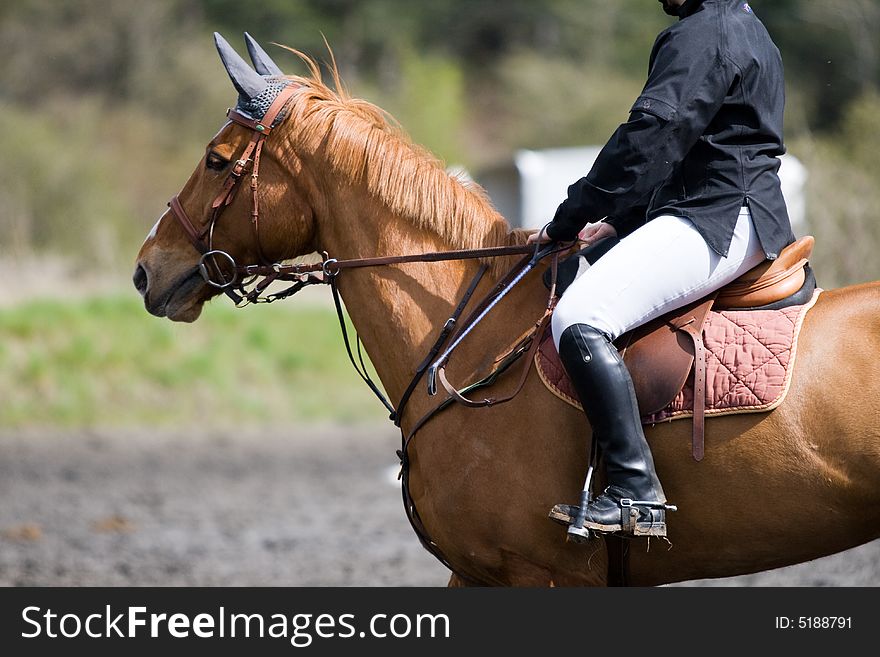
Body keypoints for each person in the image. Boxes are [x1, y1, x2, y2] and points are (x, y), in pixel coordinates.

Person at [527, 0, 795, 539]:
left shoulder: (704, 32)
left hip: (718, 214)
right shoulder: (743, 25)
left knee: (580, 317)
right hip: (726, 207)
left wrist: (565, 222)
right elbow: (687, 145)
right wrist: (622, 221)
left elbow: (649, 139)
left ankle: (635, 490)